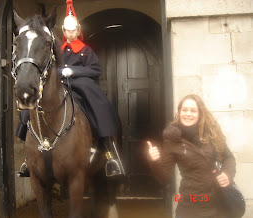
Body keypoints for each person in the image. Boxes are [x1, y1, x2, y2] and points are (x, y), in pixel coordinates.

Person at [16, 1, 124, 177]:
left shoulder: (86, 51)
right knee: (35, 102)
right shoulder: (57, 48)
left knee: (98, 103)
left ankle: (108, 150)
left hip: (81, 82)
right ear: (64, 32)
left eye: (73, 30)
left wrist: (73, 71)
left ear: (78, 31)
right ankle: (28, 153)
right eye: (67, 30)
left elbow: (95, 70)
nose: (70, 33)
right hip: (59, 84)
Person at [147, 94, 236, 217]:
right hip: (190, 204)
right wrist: (155, 161)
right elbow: (165, 178)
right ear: (179, 112)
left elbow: (229, 157)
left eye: (193, 110)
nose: (188, 114)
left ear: (200, 113)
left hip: (217, 202)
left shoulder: (211, 133)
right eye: (184, 110)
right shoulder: (171, 139)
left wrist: (228, 173)